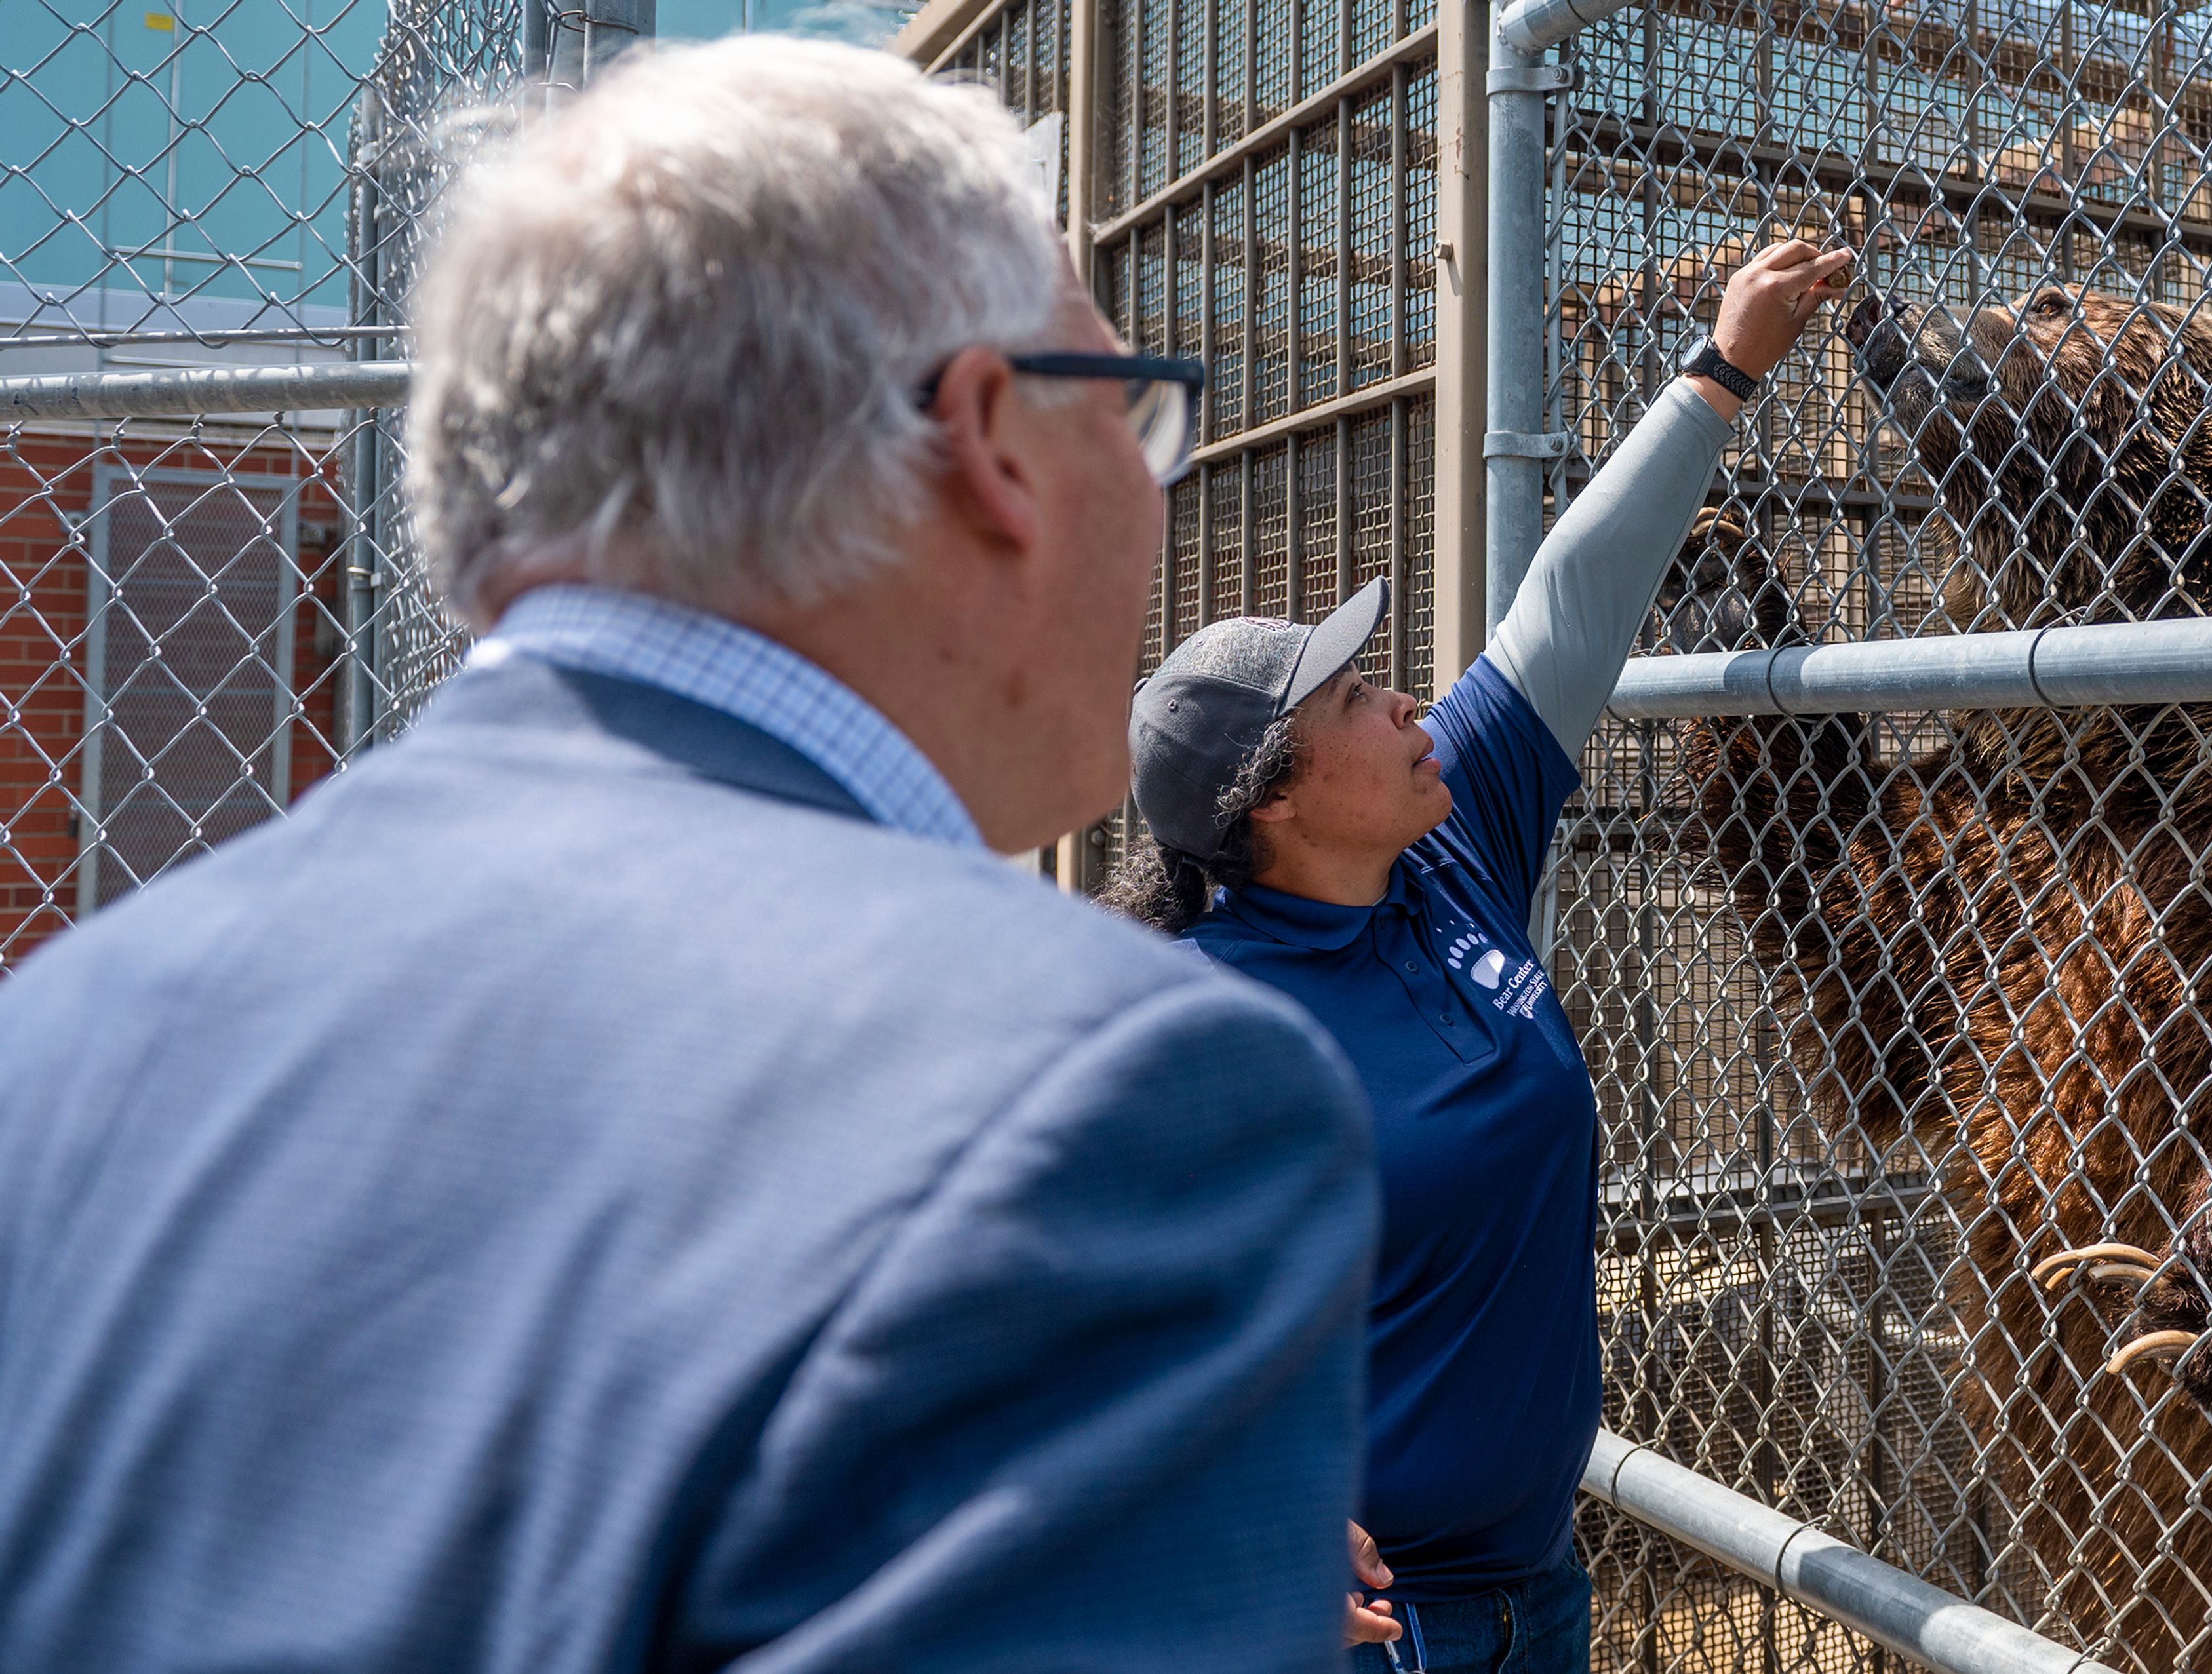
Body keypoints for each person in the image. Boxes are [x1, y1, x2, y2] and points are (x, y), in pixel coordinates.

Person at [0, 38, 1380, 1674]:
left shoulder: (58, 1042)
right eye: (1132, 406)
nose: (1158, 494)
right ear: (995, 437)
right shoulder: (1114, 1098)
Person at [1109, 239, 1853, 1673]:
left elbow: (1568, 605)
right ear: (1274, 795)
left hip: (1537, 1591)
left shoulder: (1444, 848)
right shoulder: (1199, 1024)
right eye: (1360, 694)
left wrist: (1722, 367)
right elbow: (1071, 1316)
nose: (1409, 704)